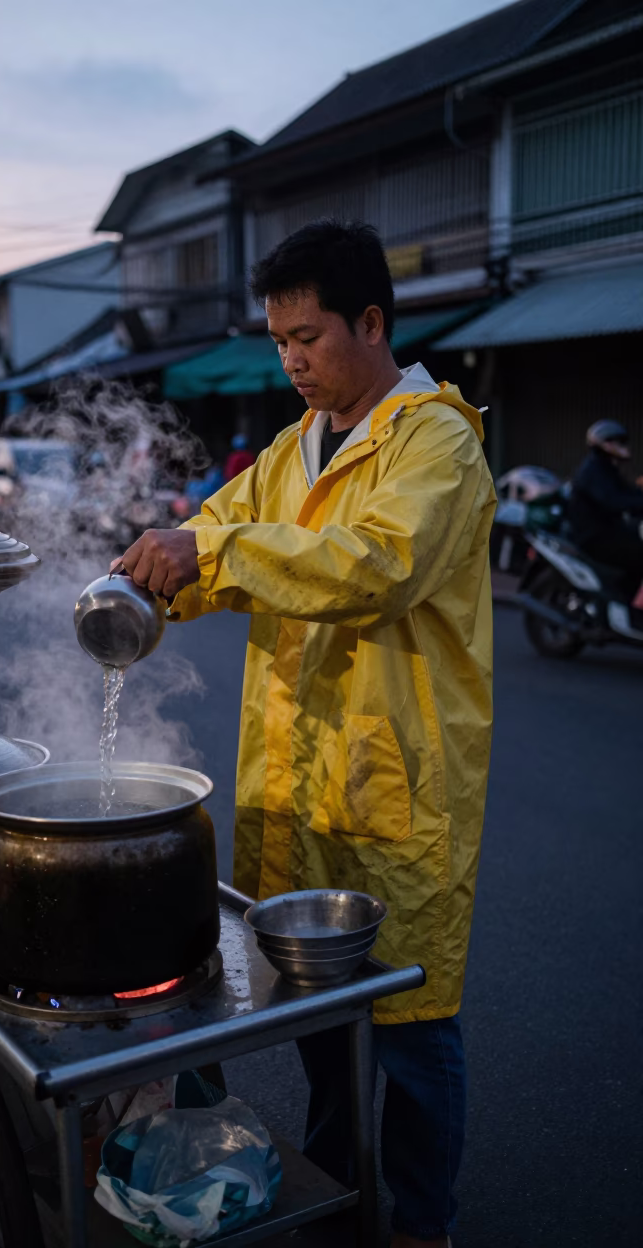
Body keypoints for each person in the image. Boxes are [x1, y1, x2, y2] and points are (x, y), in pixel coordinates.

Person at [116, 220, 496, 1247]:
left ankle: (419, 1225)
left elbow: (376, 564)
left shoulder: (435, 440)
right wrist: (140, 586)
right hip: (296, 787)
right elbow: (219, 540)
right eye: (279, 339)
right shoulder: (292, 450)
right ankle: (339, 1198)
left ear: (370, 323)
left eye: (308, 336)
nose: (290, 361)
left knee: (410, 1032)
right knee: (318, 1027)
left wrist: (206, 551)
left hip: (394, 788)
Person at [567, 419, 643, 597]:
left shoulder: (607, 468)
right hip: (593, 536)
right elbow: (613, 501)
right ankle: (620, 599)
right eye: (619, 442)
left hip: (608, 530)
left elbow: (630, 493)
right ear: (606, 444)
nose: (624, 447)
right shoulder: (593, 470)